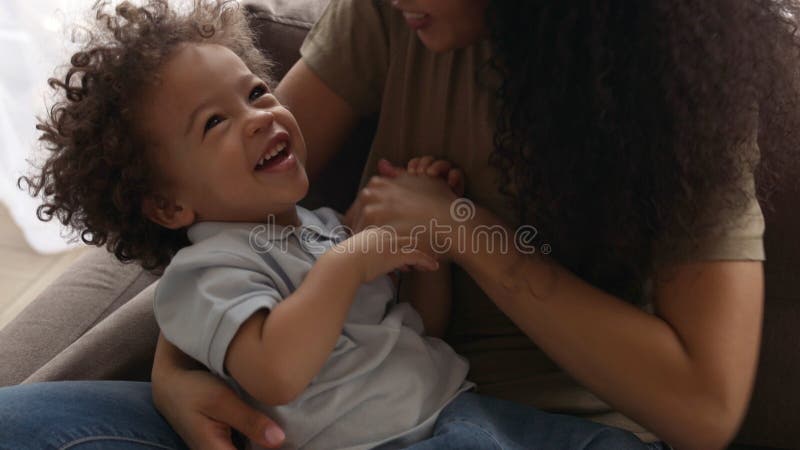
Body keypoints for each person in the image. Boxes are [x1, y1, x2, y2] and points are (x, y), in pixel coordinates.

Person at [2, 0, 799, 448]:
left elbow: (705, 409)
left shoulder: (688, 106)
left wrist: (462, 232)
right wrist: (179, 373)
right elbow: (223, 224)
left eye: (254, 93)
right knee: (26, 423)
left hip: (522, 421)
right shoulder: (392, 16)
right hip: (319, 423)